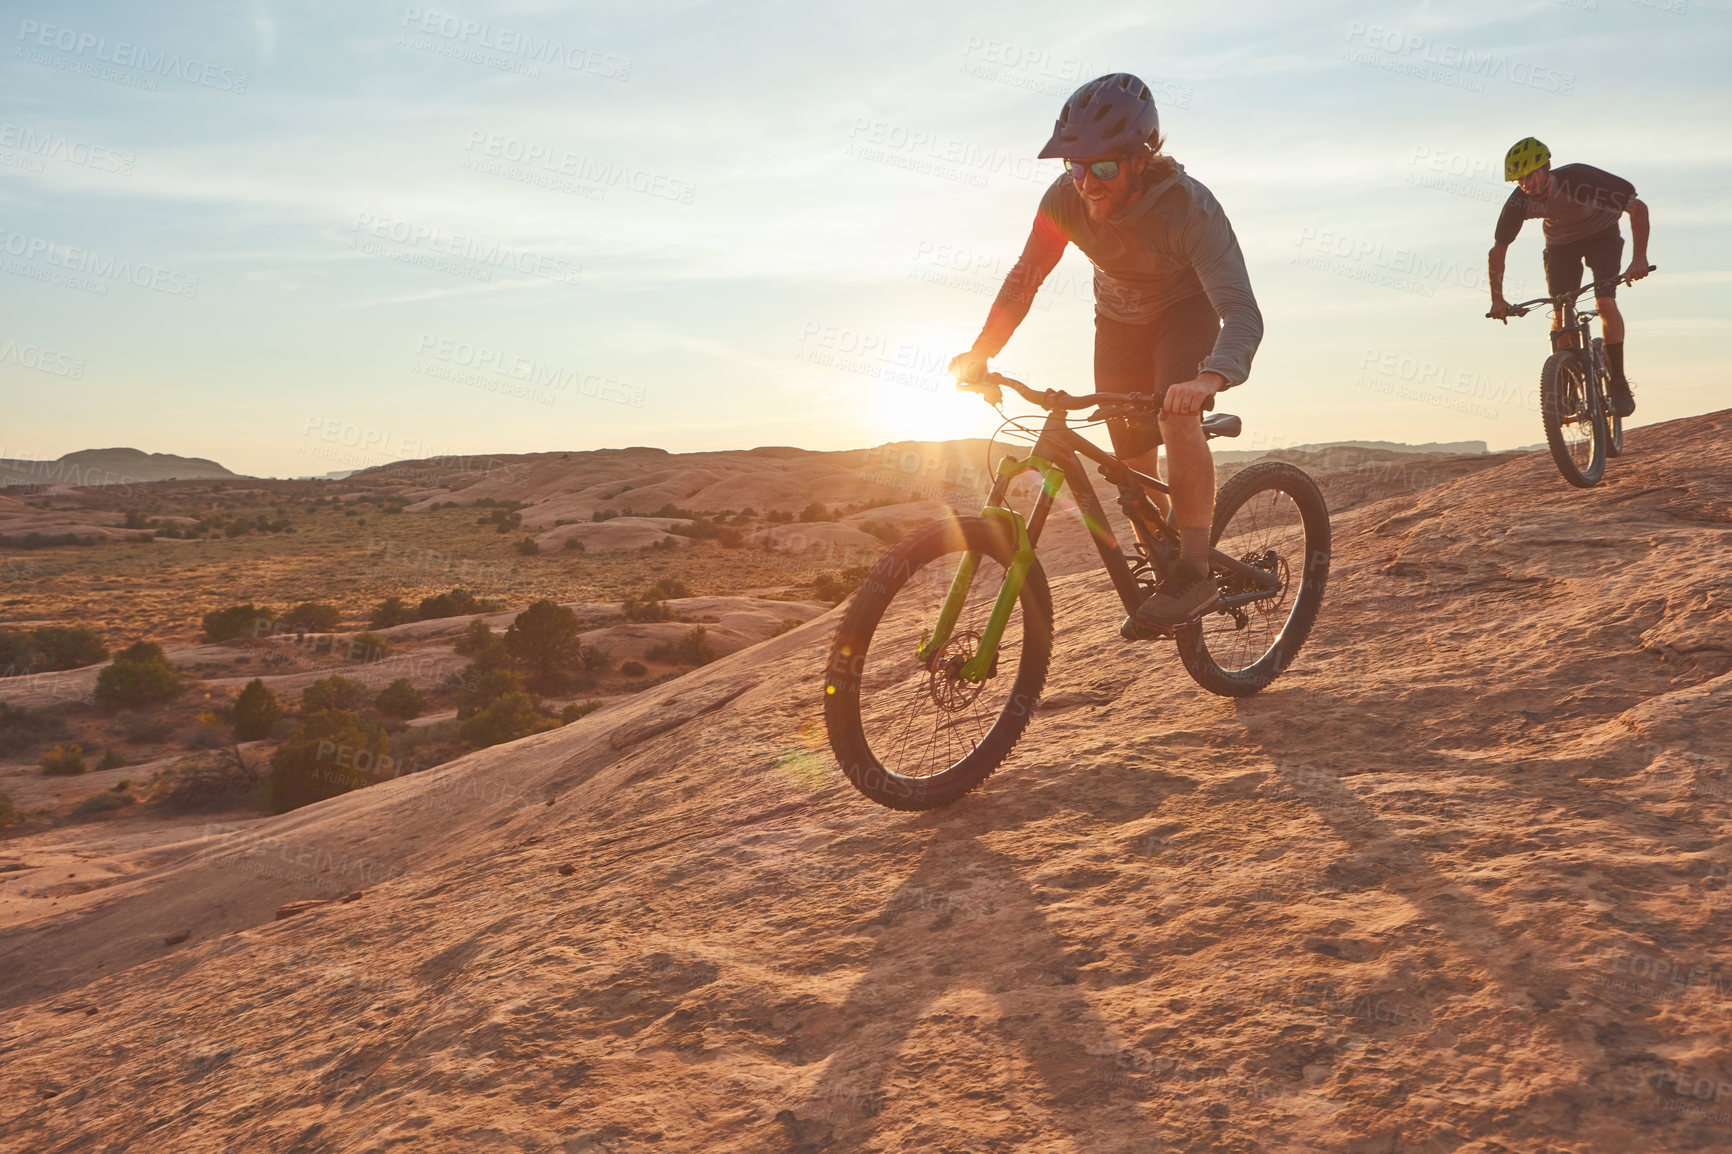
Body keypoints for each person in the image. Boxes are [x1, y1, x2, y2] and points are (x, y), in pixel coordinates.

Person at [947, 72, 1263, 630]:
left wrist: (1209, 379)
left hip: (1183, 314)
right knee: (1129, 462)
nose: (1088, 183)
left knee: (1176, 418)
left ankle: (1193, 572)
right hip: (1117, 322)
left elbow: (1241, 312)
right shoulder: (1064, 199)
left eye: (1105, 167)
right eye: (1076, 167)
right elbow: (1026, 278)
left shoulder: (1190, 209)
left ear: (1141, 159)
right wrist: (981, 351)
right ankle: (1160, 552)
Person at [1487, 137, 1650, 417]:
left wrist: (1639, 258)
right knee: (1561, 312)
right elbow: (1498, 251)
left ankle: (1619, 382)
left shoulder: (1578, 180)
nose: (1528, 184)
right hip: (1561, 246)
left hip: (1603, 236)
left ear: (1547, 167)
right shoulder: (1519, 203)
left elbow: (1637, 207)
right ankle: (1569, 379)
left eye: (1532, 175)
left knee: (1605, 303)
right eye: (1520, 180)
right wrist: (1497, 299)